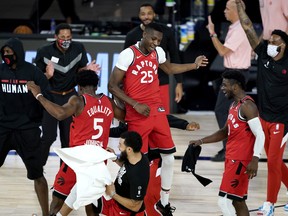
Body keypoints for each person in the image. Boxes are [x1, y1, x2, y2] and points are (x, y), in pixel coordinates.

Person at [108, 22, 208, 215]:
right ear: (144, 34)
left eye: (159, 40)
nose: (155, 42)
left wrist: (193, 65)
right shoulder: (128, 54)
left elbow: (169, 69)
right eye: (153, 38)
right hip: (138, 113)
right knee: (138, 161)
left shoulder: (158, 52)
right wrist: (135, 104)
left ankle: (164, 202)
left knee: (169, 157)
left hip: (157, 111)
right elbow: (112, 86)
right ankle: (133, 201)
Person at [27, 69, 125, 215]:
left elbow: (60, 114)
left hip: (76, 160)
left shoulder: (78, 100)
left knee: (57, 202)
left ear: (79, 87)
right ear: (97, 86)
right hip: (97, 162)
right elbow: (124, 116)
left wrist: (39, 96)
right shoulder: (108, 102)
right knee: (91, 205)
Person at [235, 1, 288, 215]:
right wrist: (241, 9)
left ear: (284, 45)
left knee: (273, 161)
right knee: (275, 162)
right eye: (270, 40)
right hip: (263, 118)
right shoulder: (264, 54)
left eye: (275, 40)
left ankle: (270, 204)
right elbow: (248, 28)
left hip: (282, 120)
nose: (271, 43)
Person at [190, 70, 265, 216]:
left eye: (225, 85)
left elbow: (260, 134)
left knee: (224, 201)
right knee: (238, 201)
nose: (222, 88)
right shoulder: (233, 105)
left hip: (240, 161)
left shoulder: (247, 106)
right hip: (232, 159)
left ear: (235, 86)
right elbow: (224, 132)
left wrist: (255, 159)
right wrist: (201, 141)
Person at [35, 23, 100, 166]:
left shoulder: (78, 48)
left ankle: (64, 174)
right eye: (62, 37)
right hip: (51, 97)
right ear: (55, 37)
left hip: (70, 97)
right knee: (48, 137)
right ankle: (38, 168)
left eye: (68, 37)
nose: (66, 40)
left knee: (68, 139)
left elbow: (80, 70)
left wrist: (87, 69)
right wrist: (48, 74)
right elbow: (36, 79)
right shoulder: (43, 51)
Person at [0, 38, 50, 216]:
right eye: (4, 53)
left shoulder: (32, 72)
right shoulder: (1, 70)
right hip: (3, 128)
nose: (6, 56)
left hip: (28, 129)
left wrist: (38, 91)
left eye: (9, 52)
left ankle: (46, 213)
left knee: (37, 174)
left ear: (18, 53)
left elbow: (47, 97)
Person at [207, 0, 252, 162]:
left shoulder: (239, 29)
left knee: (223, 111)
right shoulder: (236, 27)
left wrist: (212, 33)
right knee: (229, 112)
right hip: (233, 73)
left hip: (236, 75)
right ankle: (230, 147)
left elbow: (222, 51)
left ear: (236, 11)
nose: (224, 11)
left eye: (227, 8)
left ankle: (229, 149)